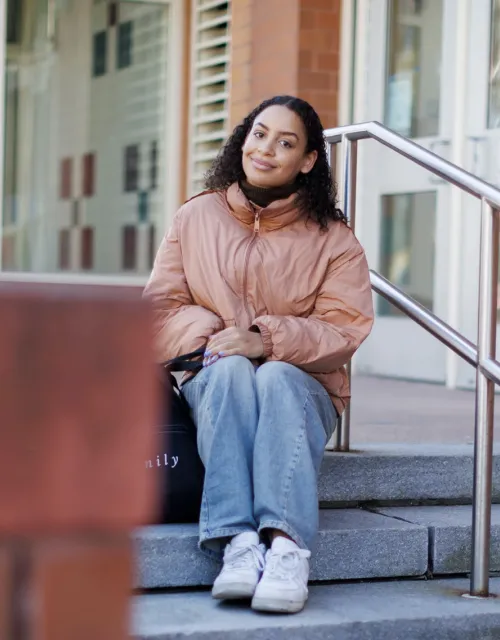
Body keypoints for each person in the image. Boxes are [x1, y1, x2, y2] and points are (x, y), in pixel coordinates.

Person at [144, 95, 374, 614]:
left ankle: (286, 546)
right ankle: (239, 543)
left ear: (309, 160)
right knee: (230, 375)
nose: (267, 149)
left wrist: (263, 341)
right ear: (243, 139)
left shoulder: (333, 239)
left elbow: (344, 328)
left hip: (303, 388)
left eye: (286, 142)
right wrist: (215, 336)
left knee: (271, 379)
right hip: (214, 379)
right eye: (259, 134)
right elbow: (158, 311)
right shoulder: (196, 216)